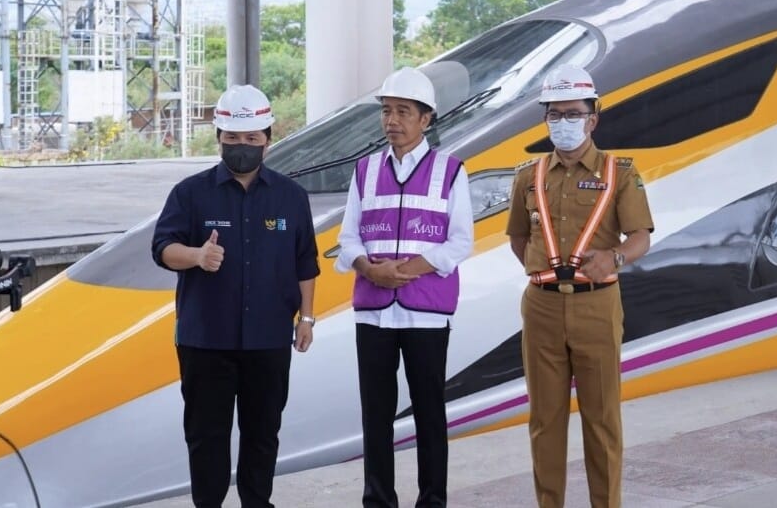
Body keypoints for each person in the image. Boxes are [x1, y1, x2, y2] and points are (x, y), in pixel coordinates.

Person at [151, 84, 320, 508]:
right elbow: (162, 249)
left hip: (268, 339)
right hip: (205, 340)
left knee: (263, 434)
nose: (241, 147)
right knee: (206, 438)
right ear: (219, 138)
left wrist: (307, 318)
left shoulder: (291, 197)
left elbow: (306, 263)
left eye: (250, 139)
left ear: (267, 137)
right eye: (232, 139)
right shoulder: (190, 193)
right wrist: (196, 255)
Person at [505, 64, 654, 508]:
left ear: (593, 118)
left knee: (602, 419)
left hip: (597, 305)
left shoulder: (620, 172)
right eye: (554, 114)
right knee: (544, 421)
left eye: (572, 114)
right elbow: (518, 238)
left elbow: (641, 237)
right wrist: (543, 273)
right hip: (542, 307)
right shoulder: (527, 176)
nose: (562, 123)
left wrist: (616, 258)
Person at [334, 67, 474, 508]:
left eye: (403, 112)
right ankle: (377, 500)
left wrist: (408, 268)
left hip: (425, 311)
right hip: (373, 310)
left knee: (430, 412)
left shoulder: (450, 172)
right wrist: (369, 270)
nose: (392, 121)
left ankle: (432, 501)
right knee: (375, 414)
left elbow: (460, 241)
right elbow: (348, 236)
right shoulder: (364, 170)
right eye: (387, 111)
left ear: (426, 119)